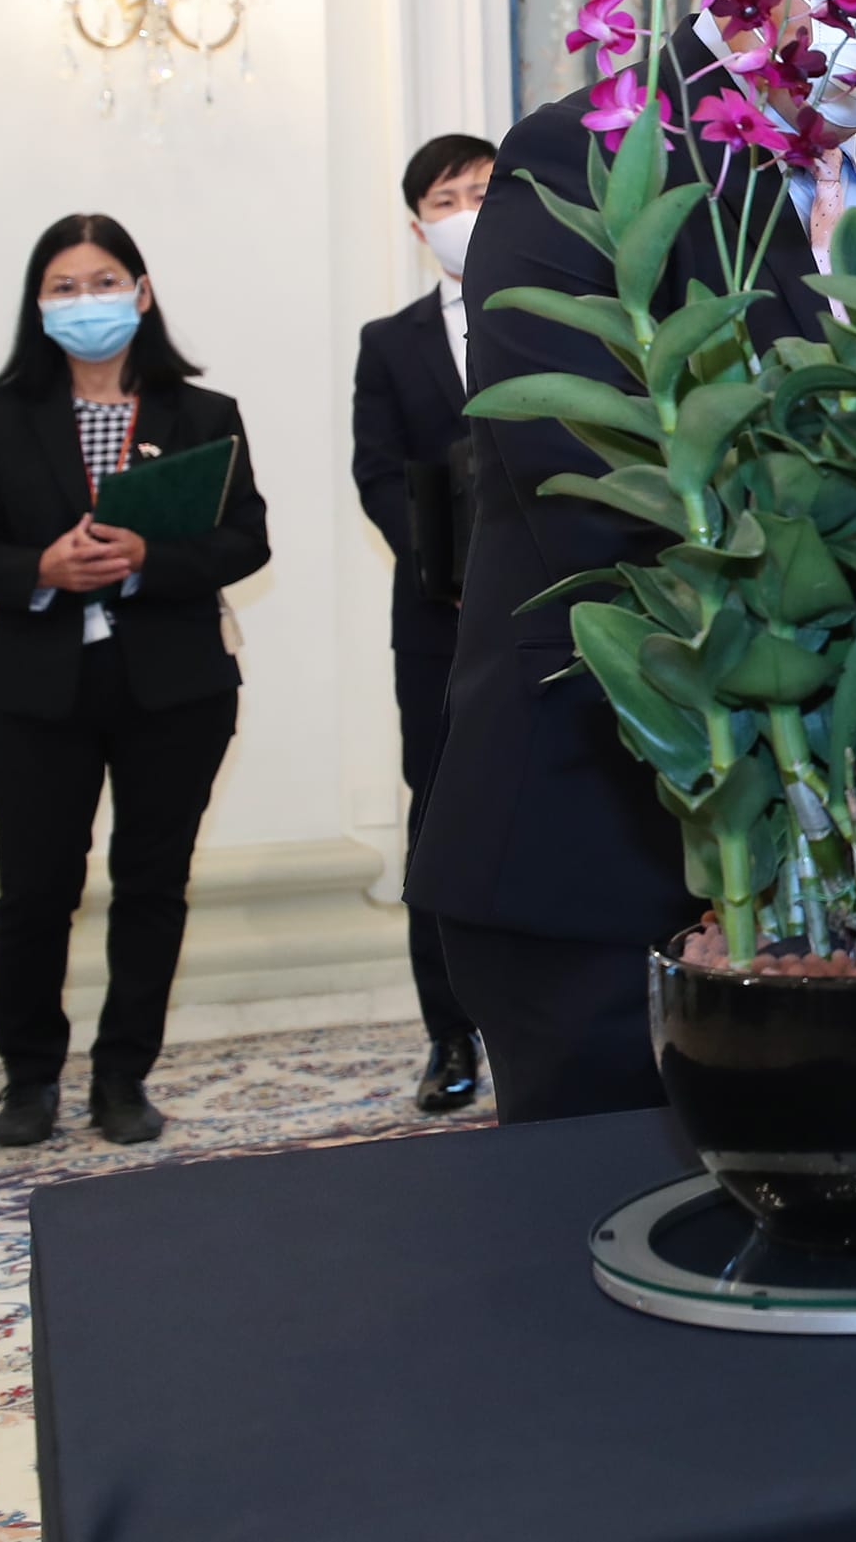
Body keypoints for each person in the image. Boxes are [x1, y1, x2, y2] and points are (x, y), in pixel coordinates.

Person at [412, 0, 856, 1122]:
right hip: (611, 836)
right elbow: (591, 492)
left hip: (839, 832)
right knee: (600, 1217)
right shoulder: (588, 151)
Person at [0, 217, 267, 1148]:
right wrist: (38, 567)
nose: (86, 301)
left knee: (153, 883)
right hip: (35, 688)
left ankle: (122, 1076)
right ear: (38, 304)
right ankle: (29, 1077)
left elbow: (247, 539)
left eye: (104, 281)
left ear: (141, 293)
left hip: (174, 685)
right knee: (34, 890)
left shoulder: (204, 413)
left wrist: (150, 559)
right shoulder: (0, 416)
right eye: (64, 287)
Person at [352, 133, 494, 1114]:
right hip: (439, 623)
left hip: (551, 618)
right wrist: (445, 567)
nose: (467, 212)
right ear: (418, 226)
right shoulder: (390, 342)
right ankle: (449, 1035)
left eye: (484, 191)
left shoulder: (563, 316)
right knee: (440, 824)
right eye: (448, 198)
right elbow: (376, 473)